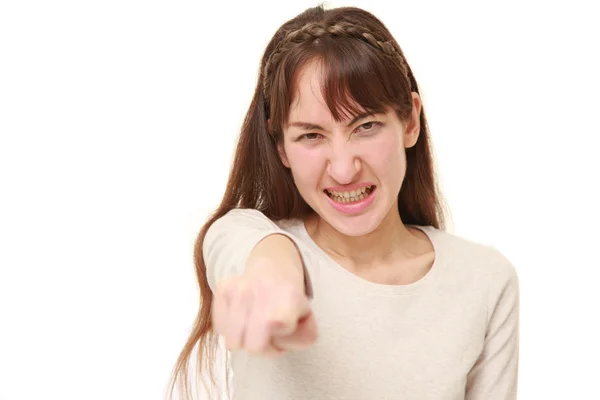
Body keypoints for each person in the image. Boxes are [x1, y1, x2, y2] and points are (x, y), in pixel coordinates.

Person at [169, 4, 519, 400]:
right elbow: (243, 252)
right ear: (280, 146)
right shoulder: (248, 238)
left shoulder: (484, 280)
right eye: (311, 136)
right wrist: (275, 277)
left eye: (365, 126)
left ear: (410, 121)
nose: (343, 169)